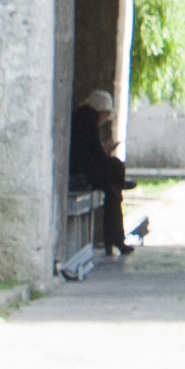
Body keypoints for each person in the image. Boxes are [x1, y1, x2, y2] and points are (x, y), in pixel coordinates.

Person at [69, 88, 131, 264]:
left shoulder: (83, 117)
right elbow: (95, 155)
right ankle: (115, 240)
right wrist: (107, 150)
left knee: (113, 193)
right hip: (83, 172)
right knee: (116, 167)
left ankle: (115, 240)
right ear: (101, 111)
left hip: (85, 168)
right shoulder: (88, 119)